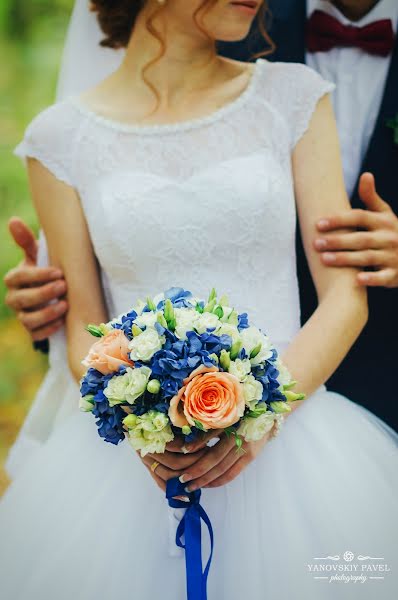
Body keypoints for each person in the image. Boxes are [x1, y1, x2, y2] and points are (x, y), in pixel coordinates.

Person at [0, 2, 397, 599]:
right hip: (133, 462)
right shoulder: (58, 139)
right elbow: (85, 329)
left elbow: (346, 298)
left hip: (297, 435)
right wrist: (146, 424)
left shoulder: (294, 96)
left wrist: (257, 419)